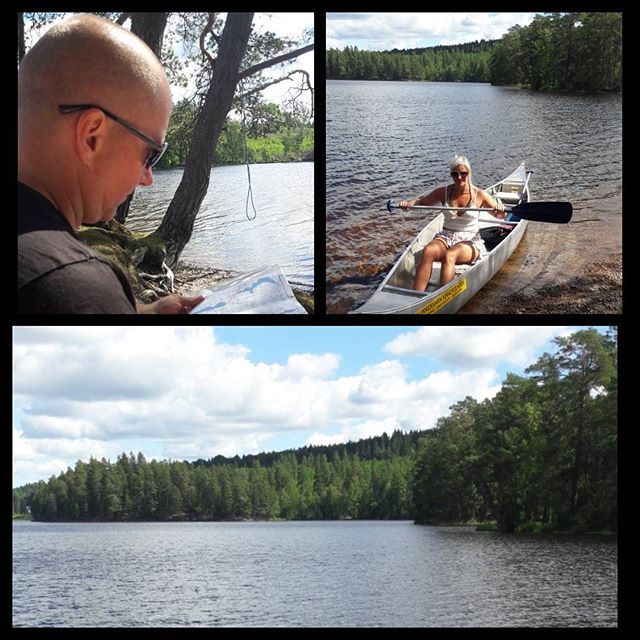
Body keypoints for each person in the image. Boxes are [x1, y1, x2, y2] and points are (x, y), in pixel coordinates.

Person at [18, 14, 203, 314]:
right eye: (150, 154)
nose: (148, 178)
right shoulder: (72, 283)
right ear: (93, 137)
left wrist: (149, 312)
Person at [400, 156, 506, 292]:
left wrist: (500, 209)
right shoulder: (443, 192)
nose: (459, 177)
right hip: (447, 235)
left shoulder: (480, 195)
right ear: (451, 175)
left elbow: (500, 216)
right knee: (428, 251)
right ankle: (415, 295)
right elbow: (421, 202)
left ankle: (440, 298)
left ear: (469, 173)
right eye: (455, 174)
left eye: (463, 173)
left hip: (470, 240)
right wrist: (408, 204)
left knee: (450, 255)